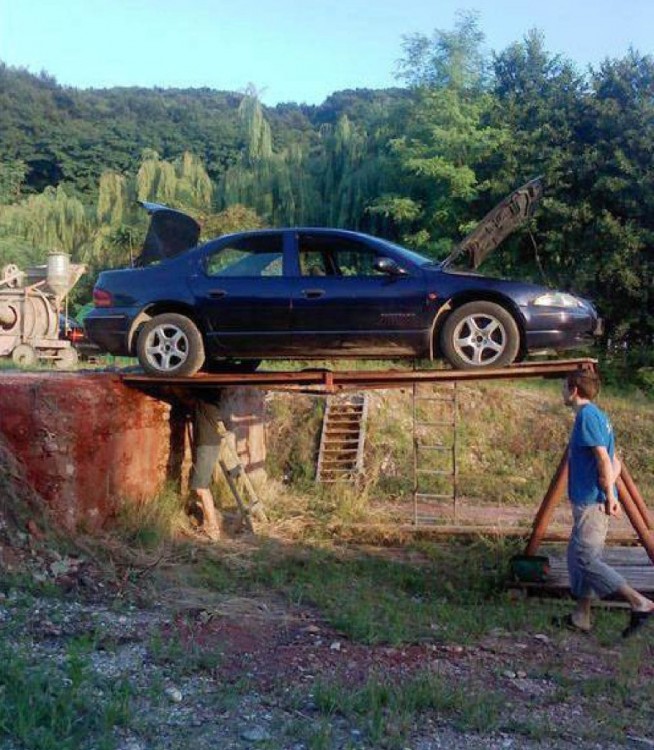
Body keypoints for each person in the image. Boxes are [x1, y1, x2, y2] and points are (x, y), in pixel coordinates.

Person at [560, 368, 654, 637]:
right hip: (590, 500)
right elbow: (616, 459)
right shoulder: (598, 415)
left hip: (592, 501)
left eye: (564, 387)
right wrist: (610, 486)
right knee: (575, 555)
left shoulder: (587, 416)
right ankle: (581, 615)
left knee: (585, 559)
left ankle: (639, 602)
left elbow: (603, 458)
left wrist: (611, 497)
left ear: (574, 389)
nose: (562, 392)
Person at [189, 391, 225, 540]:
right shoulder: (210, 399)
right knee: (202, 485)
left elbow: (185, 396)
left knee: (200, 488)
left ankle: (213, 528)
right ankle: (208, 522)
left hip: (207, 445)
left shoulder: (206, 397)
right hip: (208, 444)